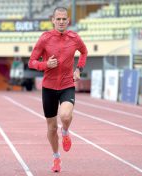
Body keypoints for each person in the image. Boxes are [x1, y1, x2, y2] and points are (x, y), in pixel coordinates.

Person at [28, 7, 87, 172]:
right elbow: (31, 62)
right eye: (58, 19)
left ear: (68, 20)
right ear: (53, 20)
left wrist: (78, 69)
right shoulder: (45, 38)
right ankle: (56, 158)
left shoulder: (74, 38)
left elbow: (84, 52)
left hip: (67, 84)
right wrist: (45, 64)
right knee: (51, 128)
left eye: (64, 19)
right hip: (48, 87)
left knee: (65, 115)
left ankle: (66, 131)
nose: (61, 22)